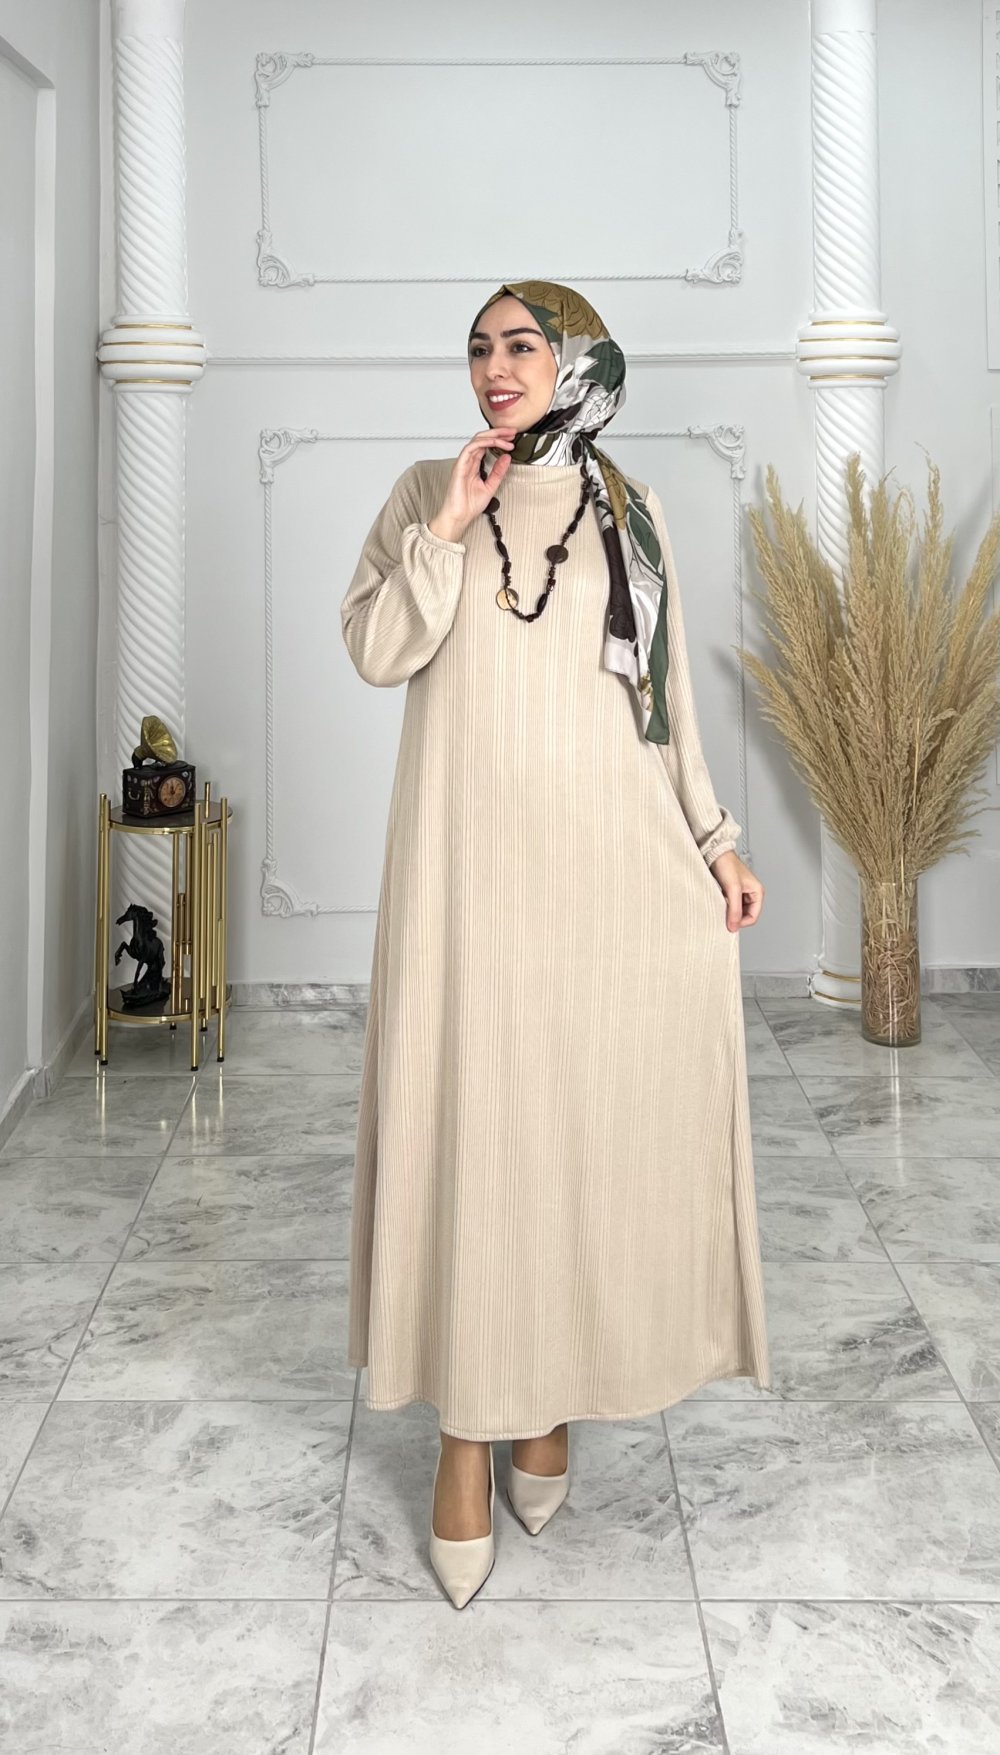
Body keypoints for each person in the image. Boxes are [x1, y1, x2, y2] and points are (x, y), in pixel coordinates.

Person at [340, 279, 771, 1608]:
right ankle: (467, 1435)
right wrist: (450, 524)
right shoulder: (423, 492)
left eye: (521, 344)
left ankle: (548, 1398)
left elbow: (661, 706)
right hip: (467, 879)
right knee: (481, 1137)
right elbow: (375, 650)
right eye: (479, 348)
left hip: (598, 874)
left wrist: (714, 842)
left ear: (576, 358)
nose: (495, 366)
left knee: (575, 1135)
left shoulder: (628, 512)